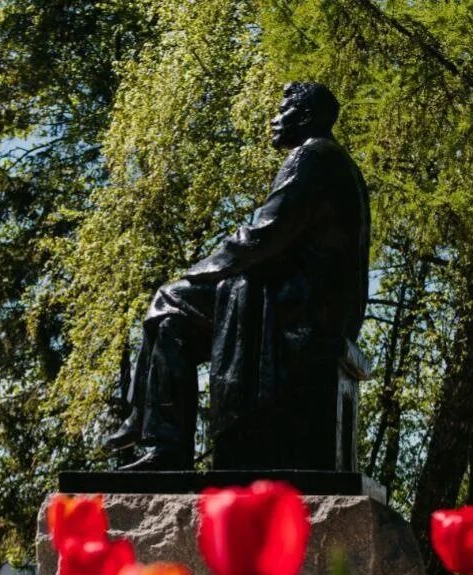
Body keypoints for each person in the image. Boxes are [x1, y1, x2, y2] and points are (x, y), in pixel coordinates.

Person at [106, 82, 370, 470]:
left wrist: (198, 273)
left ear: (308, 116)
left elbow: (261, 237)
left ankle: (161, 442)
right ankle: (151, 427)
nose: (275, 119)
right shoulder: (339, 163)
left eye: (284, 110)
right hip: (322, 304)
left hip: (298, 306)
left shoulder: (310, 158)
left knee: (169, 303)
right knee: (174, 319)